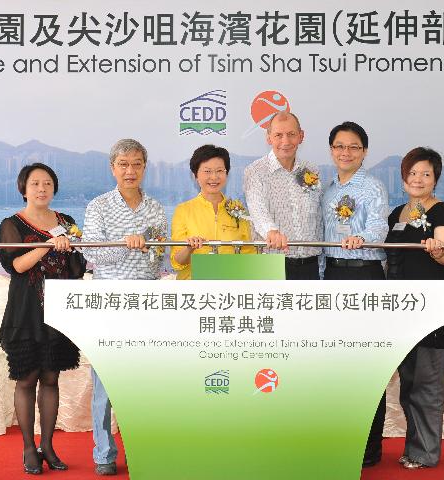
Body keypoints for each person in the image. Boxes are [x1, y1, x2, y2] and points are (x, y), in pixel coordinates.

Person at [82, 139, 168, 475]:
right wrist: (125, 244)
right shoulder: (99, 206)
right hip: (110, 301)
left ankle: (141, 447)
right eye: (123, 164)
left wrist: (143, 247)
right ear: (113, 168)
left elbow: (158, 256)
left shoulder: (156, 208)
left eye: (136, 164)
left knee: (143, 380)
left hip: (146, 300)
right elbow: (92, 253)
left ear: (144, 167)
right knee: (105, 381)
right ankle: (104, 454)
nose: (129, 171)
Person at [0, 163, 84, 475]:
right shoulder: (12, 224)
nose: (42, 189)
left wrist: (73, 250)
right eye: (35, 184)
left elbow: (76, 269)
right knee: (27, 378)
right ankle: (28, 448)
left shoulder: (67, 222)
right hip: (26, 311)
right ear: (24, 188)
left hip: (58, 310)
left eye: (47, 183)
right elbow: (16, 265)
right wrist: (46, 245)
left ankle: (47, 445)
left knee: (51, 377)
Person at [320, 121, 389, 467]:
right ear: (331, 150)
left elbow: (380, 225)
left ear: (364, 152)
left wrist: (362, 238)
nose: (346, 152)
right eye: (340, 146)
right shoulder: (326, 189)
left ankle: (370, 449)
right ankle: (341, 440)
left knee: (367, 366)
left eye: (354, 147)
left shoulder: (373, 186)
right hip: (332, 275)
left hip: (365, 276)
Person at [384, 147, 444, 469]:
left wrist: (437, 250)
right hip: (401, 310)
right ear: (404, 178)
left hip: (432, 310)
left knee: (428, 385)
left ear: (435, 179)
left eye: (425, 173)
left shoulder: (443, 212)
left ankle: (426, 454)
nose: (418, 179)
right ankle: (414, 448)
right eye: (412, 173)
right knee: (409, 384)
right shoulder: (396, 214)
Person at [243, 111, 323, 279]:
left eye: (291, 134)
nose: (285, 141)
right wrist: (271, 232)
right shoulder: (255, 171)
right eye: (278, 135)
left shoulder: (312, 170)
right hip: (271, 263)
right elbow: (257, 210)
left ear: (301, 136)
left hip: (310, 264)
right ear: (268, 138)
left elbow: (318, 217)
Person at [170, 144, 255, 279]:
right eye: (207, 171)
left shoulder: (238, 209)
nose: (214, 177)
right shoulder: (183, 210)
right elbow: (177, 262)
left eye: (220, 171)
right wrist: (189, 248)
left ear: (227, 173)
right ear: (195, 176)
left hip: (230, 287)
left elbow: (249, 254)